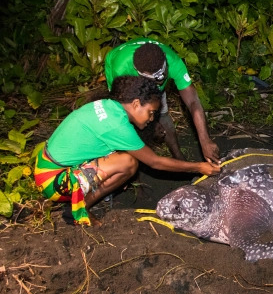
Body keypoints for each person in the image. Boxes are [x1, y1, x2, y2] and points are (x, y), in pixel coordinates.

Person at [34, 76, 221, 227]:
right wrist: (198, 167)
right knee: (129, 163)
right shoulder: (117, 126)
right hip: (53, 181)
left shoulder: (107, 106)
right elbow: (155, 162)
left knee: (124, 156)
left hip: (46, 164)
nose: (151, 119)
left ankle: (84, 193)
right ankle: (78, 209)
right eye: (151, 112)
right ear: (136, 103)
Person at [104, 37, 220, 163]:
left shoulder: (173, 61)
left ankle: (178, 156)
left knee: (163, 114)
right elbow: (126, 109)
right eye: (155, 80)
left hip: (148, 72)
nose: (160, 81)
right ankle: (134, 164)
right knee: (130, 121)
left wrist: (205, 140)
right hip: (128, 80)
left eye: (163, 75)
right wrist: (150, 123)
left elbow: (193, 101)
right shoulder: (121, 69)